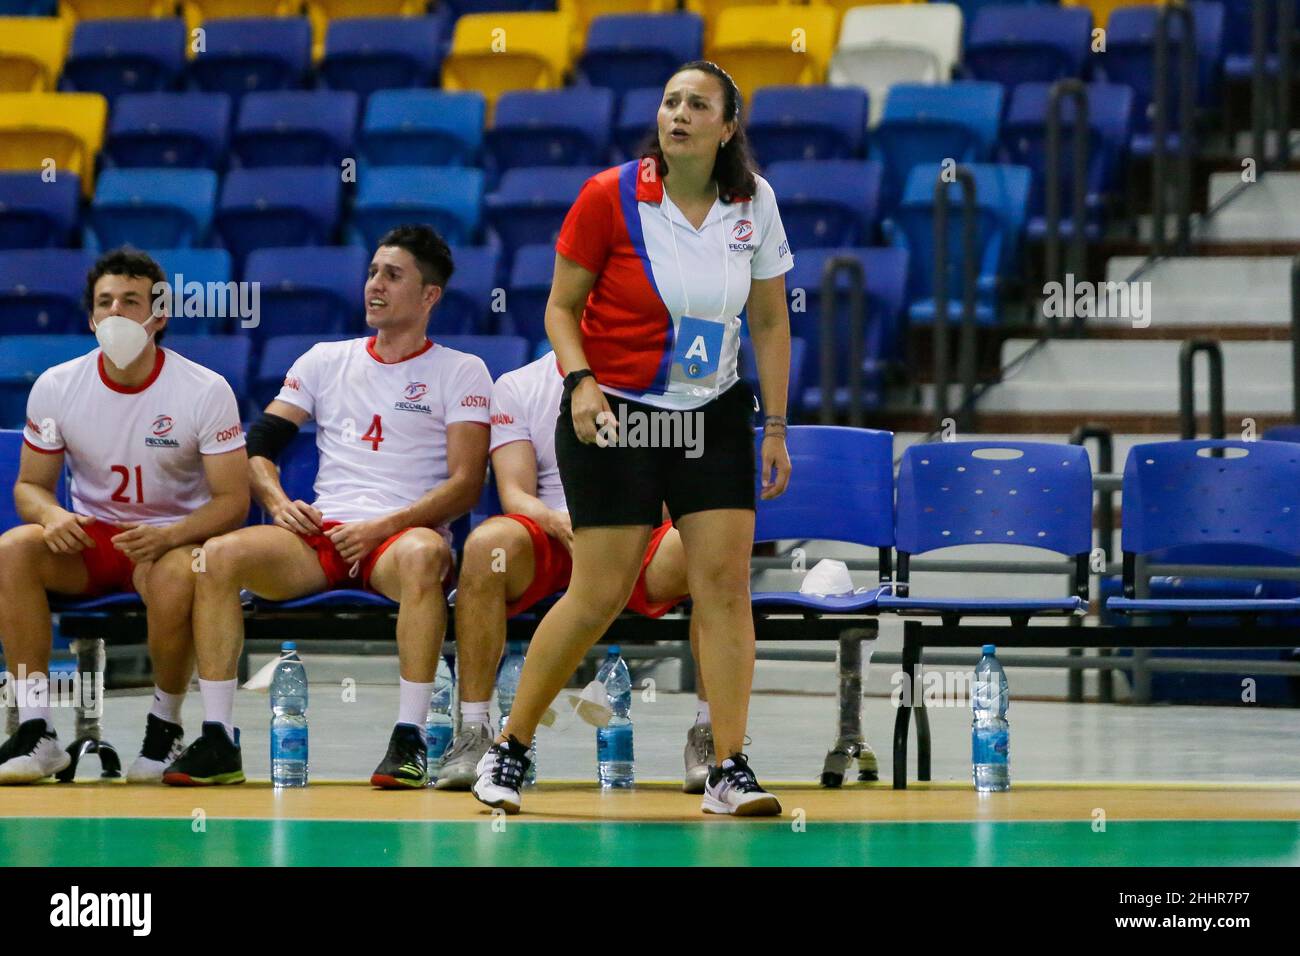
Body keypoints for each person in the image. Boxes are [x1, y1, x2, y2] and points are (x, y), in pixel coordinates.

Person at [472, 61, 794, 816]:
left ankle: (727, 766)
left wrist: (774, 424)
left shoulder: (754, 202)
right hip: (615, 411)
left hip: (711, 413)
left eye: (698, 104)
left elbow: (772, 322)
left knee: (723, 586)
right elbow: (559, 308)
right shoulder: (608, 195)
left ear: (728, 126)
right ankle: (510, 748)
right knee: (599, 591)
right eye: (670, 101)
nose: (679, 113)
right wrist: (580, 381)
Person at [162, 225, 491, 788]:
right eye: (371, 272)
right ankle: (218, 738)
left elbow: (465, 486)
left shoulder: (461, 371)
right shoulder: (323, 360)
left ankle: (408, 740)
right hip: (321, 534)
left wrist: (381, 527)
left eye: (393, 275)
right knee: (215, 557)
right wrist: (278, 500)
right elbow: (259, 445)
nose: (374, 285)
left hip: (398, 539)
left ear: (429, 295)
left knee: (422, 557)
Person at [0, 248, 249, 784]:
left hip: (174, 539)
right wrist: (50, 516)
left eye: (130, 302)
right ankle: (37, 729)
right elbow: (29, 487)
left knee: (177, 572)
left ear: (158, 315)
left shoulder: (203, 390)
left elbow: (233, 501)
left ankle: (165, 726)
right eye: (104, 303)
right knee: (13, 549)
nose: (115, 313)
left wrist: (170, 537)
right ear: (91, 318)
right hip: (93, 539)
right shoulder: (57, 385)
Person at [436, 353, 716, 793]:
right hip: (552, 532)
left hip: (636, 534)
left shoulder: (657, 377)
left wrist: (622, 528)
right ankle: (474, 731)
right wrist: (556, 521)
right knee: (488, 548)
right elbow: (514, 493)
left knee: (710, 547)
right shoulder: (518, 383)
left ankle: (710, 733)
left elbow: (673, 487)